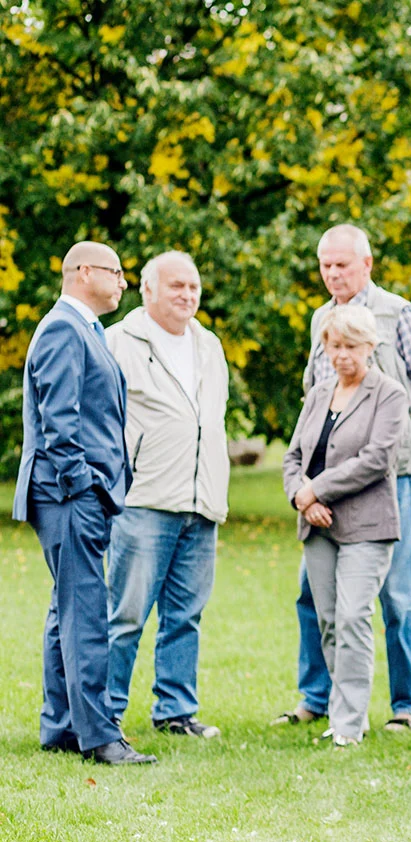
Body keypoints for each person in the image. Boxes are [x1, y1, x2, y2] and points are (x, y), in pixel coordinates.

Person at [273, 223, 411, 732]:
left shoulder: (396, 312)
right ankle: (318, 697)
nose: (332, 273)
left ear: (366, 264)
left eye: (341, 264)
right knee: (315, 595)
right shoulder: (321, 318)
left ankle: (410, 706)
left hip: (393, 475)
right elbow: (311, 390)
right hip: (322, 484)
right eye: (325, 264)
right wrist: (307, 484)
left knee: (400, 596)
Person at [14, 241, 155, 765]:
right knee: (87, 613)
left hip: (77, 493)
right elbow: (59, 420)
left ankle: (63, 727)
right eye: (117, 272)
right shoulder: (62, 329)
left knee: (66, 610)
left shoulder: (84, 330)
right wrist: (84, 484)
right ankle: (100, 737)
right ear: (85, 272)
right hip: (70, 495)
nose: (123, 282)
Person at [104, 251, 229, 740]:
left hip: (202, 502)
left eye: (193, 286)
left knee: (186, 614)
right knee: (126, 613)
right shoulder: (118, 341)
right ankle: (106, 711)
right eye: (176, 285)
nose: (187, 295)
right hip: (145, 499)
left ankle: (176, 711)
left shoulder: (209, 345)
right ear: (147, 289)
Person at [282, 304, 408, 747]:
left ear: (370, 347)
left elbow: (377, 459)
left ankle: (348, 727)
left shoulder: (389, 394)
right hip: (317, 525)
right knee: (330, 621)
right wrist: (302, 495)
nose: (341, 355)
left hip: (367, 525)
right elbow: (293, 456)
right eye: (334, 346)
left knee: (354, 617)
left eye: (351, 346)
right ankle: (344, 711)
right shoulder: (318, 393)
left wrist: (316, 490)